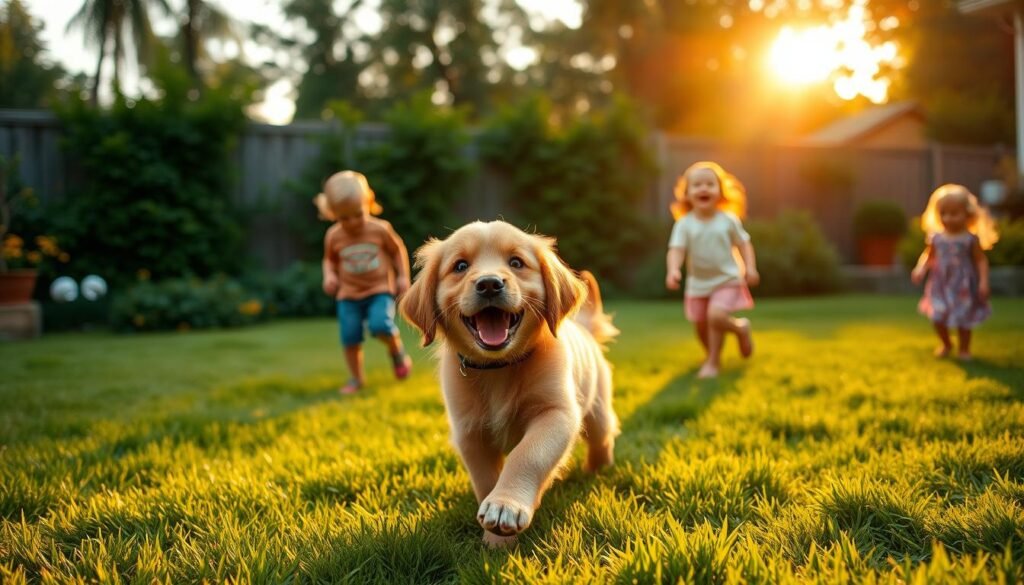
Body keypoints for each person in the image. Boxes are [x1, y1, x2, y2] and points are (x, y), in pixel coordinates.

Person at [315, 170, 413, 394]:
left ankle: (396, 352)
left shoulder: (380, 229)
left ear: (368, 201)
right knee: (350, 337)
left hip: (379, 291)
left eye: (357, 214)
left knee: (380, 326)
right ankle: (356, 379)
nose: (351, 222)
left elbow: (398, 251)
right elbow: (329, 260)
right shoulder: (334, 235)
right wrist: (329, 275)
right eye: (343, 217)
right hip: (348, 296)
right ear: (332, 213)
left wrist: (401, 276)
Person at [665, 161, 759, 379]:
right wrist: (673, 270)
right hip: (698, 284)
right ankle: (725, 342)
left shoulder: (728, 220)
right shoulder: (684, 224)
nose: (704, 188)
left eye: (710, 184)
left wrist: (750, 268)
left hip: (727, 279)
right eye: (697, 185)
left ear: (720, 192)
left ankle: (714, 362)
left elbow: (744, 244)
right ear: (687, 194)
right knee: (701, 327)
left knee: (715, 316)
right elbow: (676, 250)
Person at [911, 184, 999, 360]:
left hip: (963, 285)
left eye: (954, 213)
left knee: (963, 318)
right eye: (943, 213)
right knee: (937, 316)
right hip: (940, 284)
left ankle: (964, 349)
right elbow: (929, 256)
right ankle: (946, 343)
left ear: (968, 214)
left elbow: (981, 261)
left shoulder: (970, 239)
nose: (948, 218)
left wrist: (983, 282)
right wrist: (920, 268)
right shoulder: (936, 238)